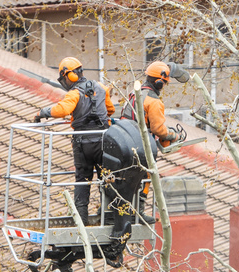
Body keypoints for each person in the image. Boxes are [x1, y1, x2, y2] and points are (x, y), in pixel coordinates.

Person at [34, 57, 114, 225]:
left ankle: (81, 223)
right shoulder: (100, 87)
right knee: (105, 180)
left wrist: (42, 112)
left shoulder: (74, 94)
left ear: (69, 76)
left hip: (83, 144)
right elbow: (110, 110)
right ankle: (109, 218)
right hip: (103, 142)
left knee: (82, 181)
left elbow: (62, 109)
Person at [122, 61, 190, 147]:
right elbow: (158, 129)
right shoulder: (154, 101)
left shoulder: (136, 92)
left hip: (125, 133)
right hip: (135, 141)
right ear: (159, 83)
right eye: (165, 83)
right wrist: (173, 135)